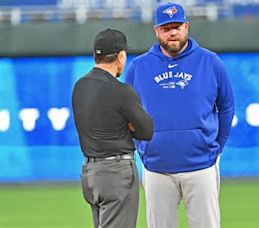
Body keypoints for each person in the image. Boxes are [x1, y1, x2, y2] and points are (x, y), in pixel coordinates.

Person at [125, 2, 235, 228]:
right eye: (166, 28)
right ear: (157, 31)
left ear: (187, 27)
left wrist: (216, 147)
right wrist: (144, 148)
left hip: (201, 165)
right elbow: (129, 113)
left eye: (177, 26)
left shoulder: (210, 61)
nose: (173, 32)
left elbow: (226, 107)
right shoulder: (139, 67)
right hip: (157, 168)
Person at [72, 28, 153, 228]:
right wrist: (127, 124)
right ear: (121, 56)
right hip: (115, 173)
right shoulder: (121, 90)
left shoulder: (80, 86)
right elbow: (146, 131)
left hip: (90, 173)